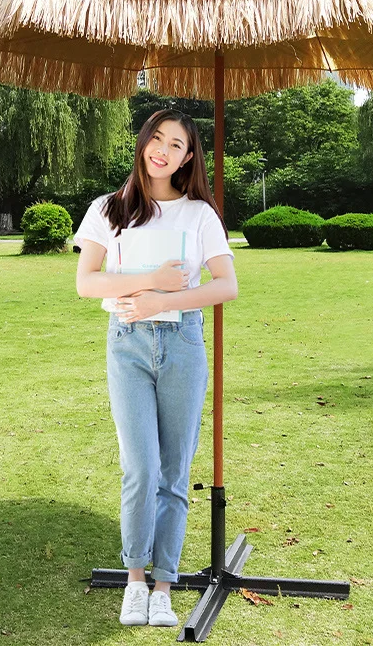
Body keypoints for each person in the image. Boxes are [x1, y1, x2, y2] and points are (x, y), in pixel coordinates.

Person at [75, 109, 238, 627]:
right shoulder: (109, 208)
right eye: (157, 139)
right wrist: (149, 286)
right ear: (144, 142)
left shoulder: (199, 215)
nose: (163, 151)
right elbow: (86, 282)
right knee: (140, 469)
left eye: (177, 145)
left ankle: (165, 585)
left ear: (189, 157)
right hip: (126, 345)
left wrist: (169, 297)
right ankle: (135, 580)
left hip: (183, 342)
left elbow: (226, 286)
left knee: (174, 471)